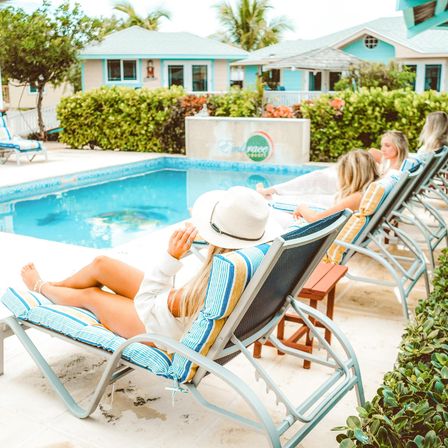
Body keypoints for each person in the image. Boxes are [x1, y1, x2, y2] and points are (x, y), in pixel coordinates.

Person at [20, 187, 283, 348]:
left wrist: (171, 257)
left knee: (91, 296)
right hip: (175, 314)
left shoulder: (214, 283)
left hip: (160, 331)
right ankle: (58, 285)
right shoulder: (251, 260)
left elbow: (146, 306)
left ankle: (42, 287)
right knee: (103, 264)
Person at [256, 131, 406, 204]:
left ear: (398, 147)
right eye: (382, 145)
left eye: (387, 145)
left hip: (352, 183)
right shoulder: (393, 165)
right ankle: (274, 192)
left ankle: (272, 193)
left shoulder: (394, 170)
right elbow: (371, 153)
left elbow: (370, 156)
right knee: (316, 179)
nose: (383, 149)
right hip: (353, 180)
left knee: (315, 181)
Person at [270, 150, 380, 226]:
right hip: (326, 229)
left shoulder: (356, 198)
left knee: (273, 213)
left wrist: (301, 208)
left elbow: (316, 220)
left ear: (350, 175)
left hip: (322, 238)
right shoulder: (367, 191)